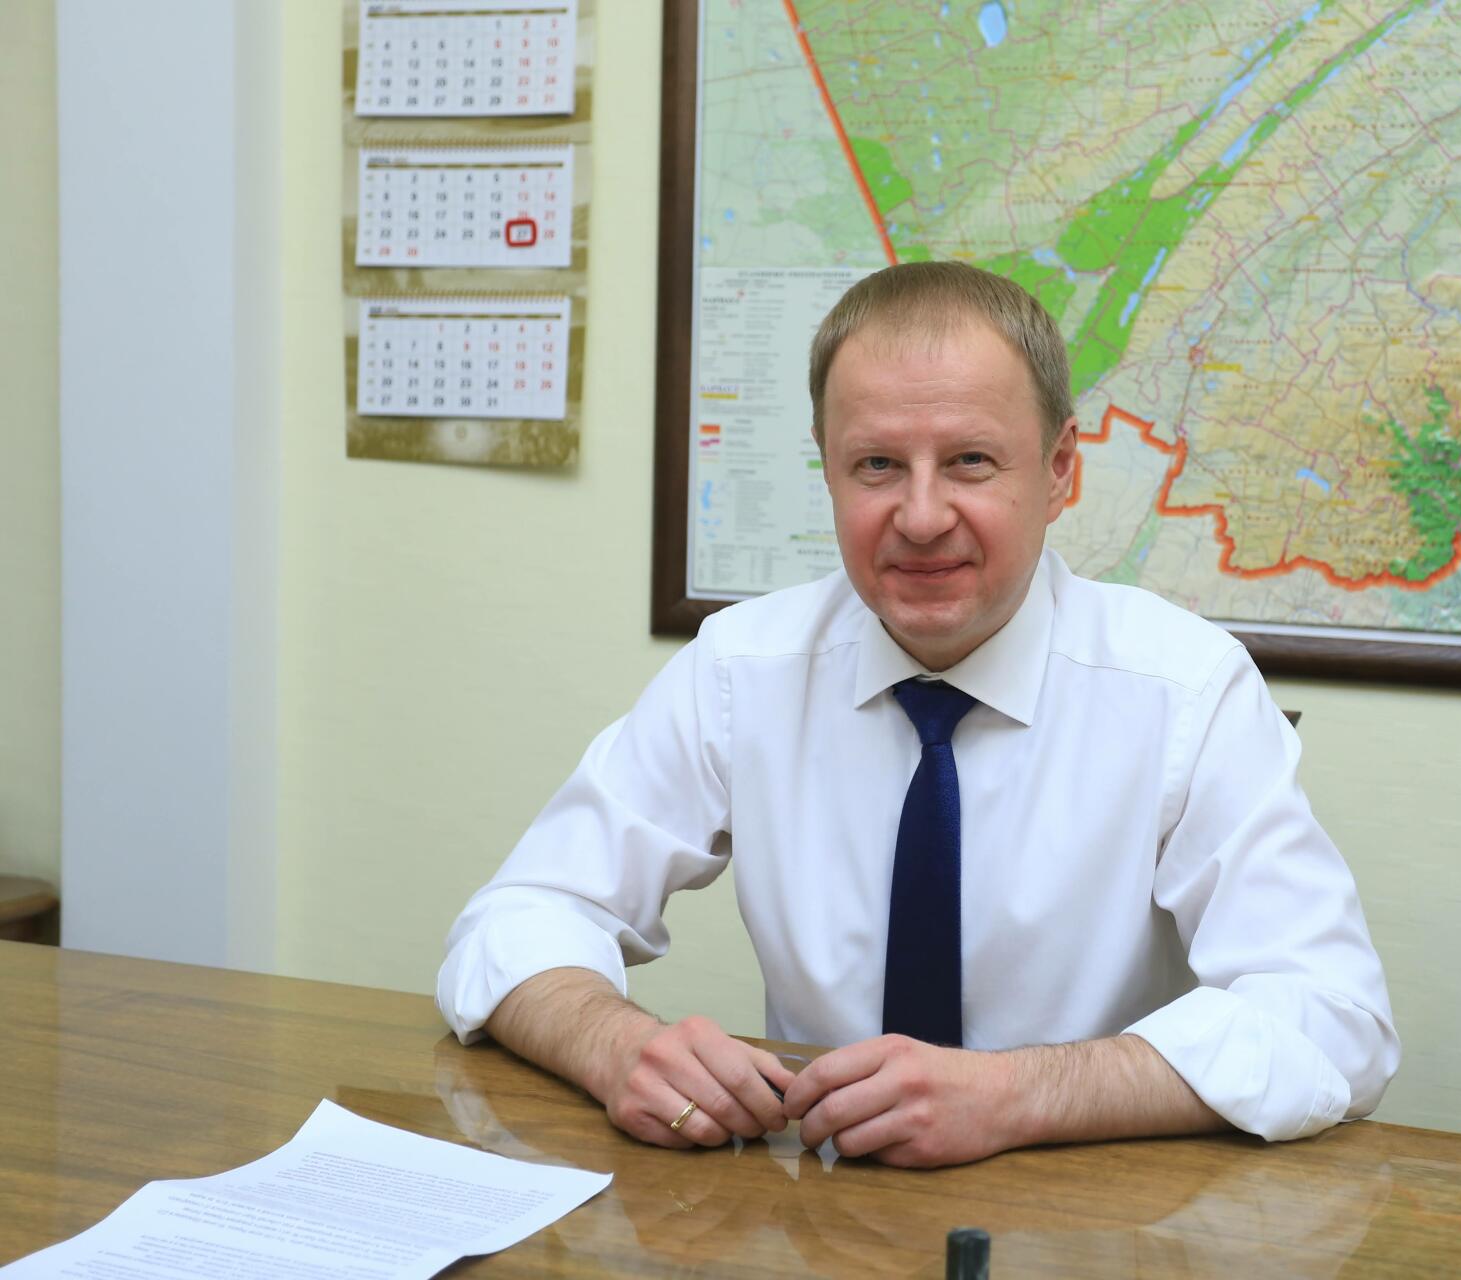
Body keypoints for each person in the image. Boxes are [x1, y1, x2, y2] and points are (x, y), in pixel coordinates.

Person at [437, 262, 1398, 1168]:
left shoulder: (1186, 691)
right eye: (877, 465)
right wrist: (615, 1046)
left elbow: (1333, 1020)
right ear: (827, 471)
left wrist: (1019, 1095)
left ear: (1061, 470)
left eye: (971, 461)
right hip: (819, 1211)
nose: (923, 516)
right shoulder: (741, 670)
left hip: (1095, 1215)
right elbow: (519, 919)